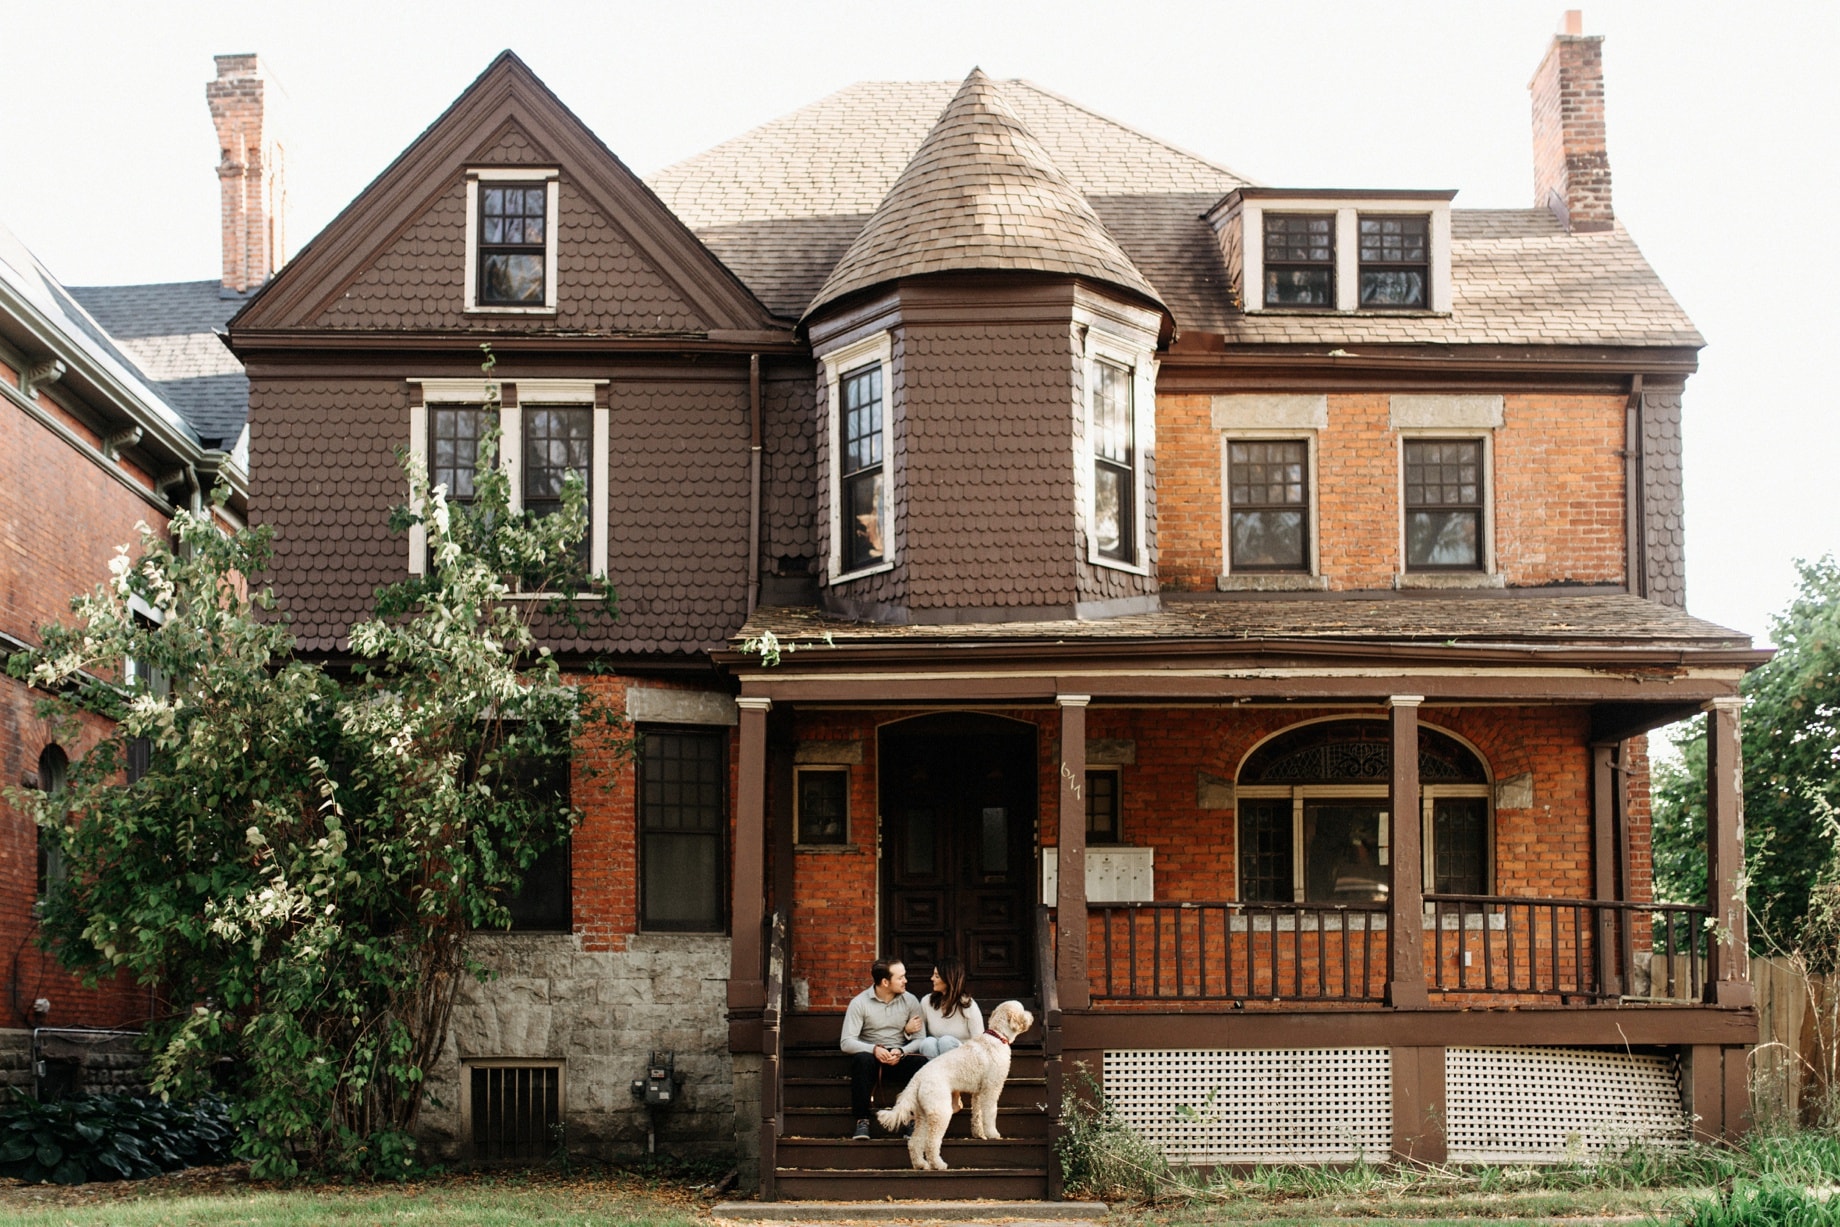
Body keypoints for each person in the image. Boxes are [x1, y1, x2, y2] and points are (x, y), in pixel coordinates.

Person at [839, 957, 926, 1140]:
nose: (906, 981)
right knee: (861, 1060)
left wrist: (902, 1051)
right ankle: (862, 1120)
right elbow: (846, 1042)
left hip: (899, 1057)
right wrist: (874, 1050)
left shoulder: (910, 1001)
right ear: (885, 982)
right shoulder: (859, 1003)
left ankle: (911, 1120)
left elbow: (920, 1040)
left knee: (920, 1062)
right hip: (872, 1060)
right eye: (900, 978)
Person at [907, 957, 983, 1061]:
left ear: (949, 979)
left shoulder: (968, 1005)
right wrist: (908, 1030)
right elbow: (920, 1036)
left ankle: (951, 1076)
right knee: (927, 1042)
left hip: (963, 1059)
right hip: (934, 1054)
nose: (932, 978)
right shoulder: (927, 1001)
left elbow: (979, 1042)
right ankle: (935, 1076)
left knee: (946, 1041)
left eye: (937, 976)